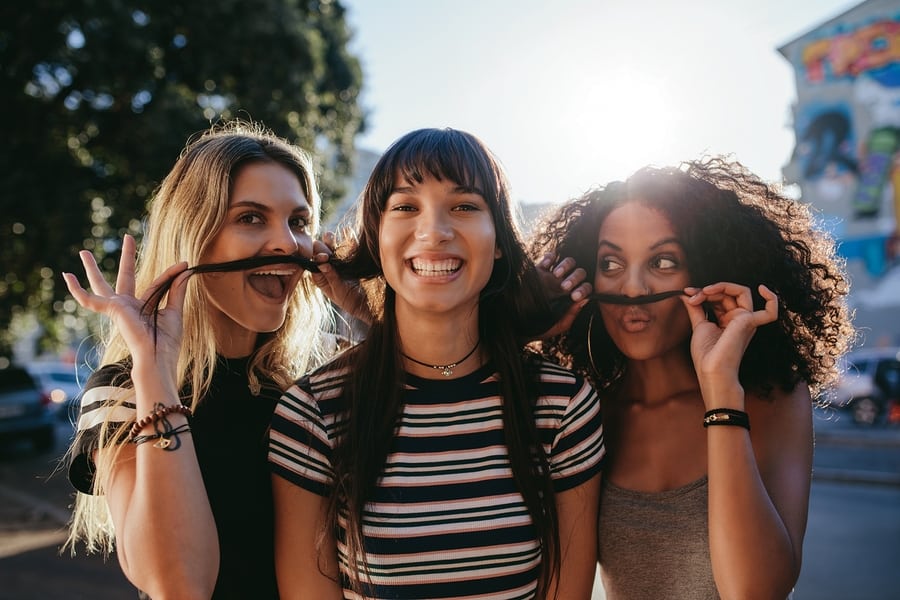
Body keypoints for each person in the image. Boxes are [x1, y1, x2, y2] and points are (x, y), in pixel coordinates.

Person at [268, 128, 606, 599]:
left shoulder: (561, 405)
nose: (434, 231)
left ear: (500, 240)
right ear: (377, 236)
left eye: (465, 206)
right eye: (406, 207)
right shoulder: (314, 414)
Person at [529, 158, 854, 600]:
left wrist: (720, 388)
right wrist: (523, 330)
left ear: (705, 271)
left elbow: (755, 590)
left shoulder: (769, 397)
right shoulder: (584, 410)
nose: (633, 288)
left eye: (663, 261)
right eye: (611, 263)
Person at [61, 121, 333, 599]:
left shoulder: (307, 392)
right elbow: (179, 585)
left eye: (298, 221)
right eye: (251, 217)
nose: (288, 244)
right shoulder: (125, 388)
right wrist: (154, 369)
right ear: (194, 236)